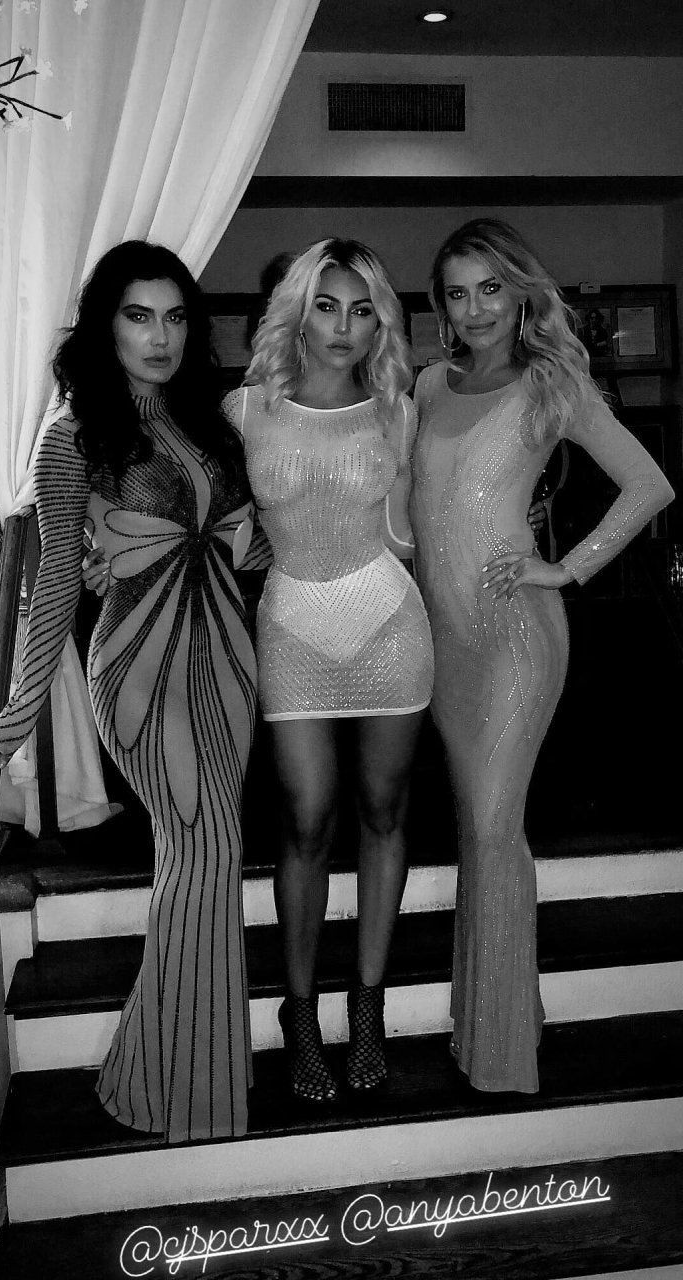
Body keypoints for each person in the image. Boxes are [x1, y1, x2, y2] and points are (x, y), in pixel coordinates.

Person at [0, 241, 259, 1142]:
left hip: (228, 659)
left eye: (175, 317)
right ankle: (181, 1085)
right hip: (137, 663)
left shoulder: (209, 423)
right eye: (139, 317)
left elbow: (252, 544)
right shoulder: (72, 436)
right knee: (206, 844)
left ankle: (159, 1075)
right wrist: (16, 712)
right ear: (107, 327)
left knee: (203, 855)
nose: (160, 337)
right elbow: (57, 576)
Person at [410, 218, 673, 1094]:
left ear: (521, 291)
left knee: (492, 827)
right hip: (443, 641)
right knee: (479, 831)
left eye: (491, 287)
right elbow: (415, 509)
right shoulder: (428, 386)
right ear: (441, 305)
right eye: (457, 293)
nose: (475, 308)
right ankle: (488, 1025)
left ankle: (502, 1055)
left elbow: (650, 485)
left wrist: (563, 567)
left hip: (517, 634)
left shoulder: (551, 383)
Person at [223, 238, 434, 1102]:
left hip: (388, 621)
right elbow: (217, 518)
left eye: (362, 309)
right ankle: (300, 1012)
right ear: (297, 311)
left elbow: (404, 533)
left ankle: (368, 1005)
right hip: (293, 626)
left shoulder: (396, 411)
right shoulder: (244, 408)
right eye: (326, 305)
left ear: (379, 322)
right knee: (307, 819)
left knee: (385, 812)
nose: (344, 326)